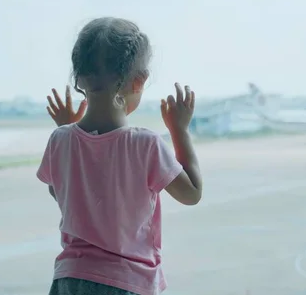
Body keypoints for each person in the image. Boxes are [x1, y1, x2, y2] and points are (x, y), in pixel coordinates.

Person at [37, 17, 204, 295]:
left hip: (68, 279)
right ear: (138, 82)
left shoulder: (60, 139)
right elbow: (192, 194)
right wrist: (179, 131)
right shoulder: (146, 144)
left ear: (78, 77)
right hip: (125, 282)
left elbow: (61, 194)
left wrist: (66, 131)